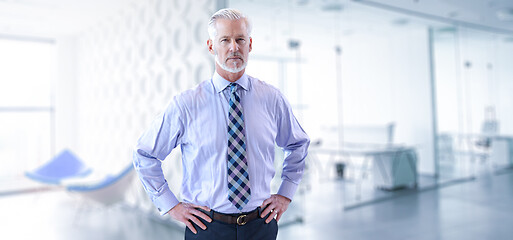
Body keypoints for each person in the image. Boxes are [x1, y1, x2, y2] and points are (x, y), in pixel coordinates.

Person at [133, 8, 309, 240]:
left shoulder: (272, 98)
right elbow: (145, 154)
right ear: (211, 46)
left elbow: (298, 144)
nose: (234, 47)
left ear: (250, 44)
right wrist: (170, 205)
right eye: (225, 39)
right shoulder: (186, 104)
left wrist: (285, 193)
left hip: (261, 227)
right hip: (207, 229)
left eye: (240, 39)